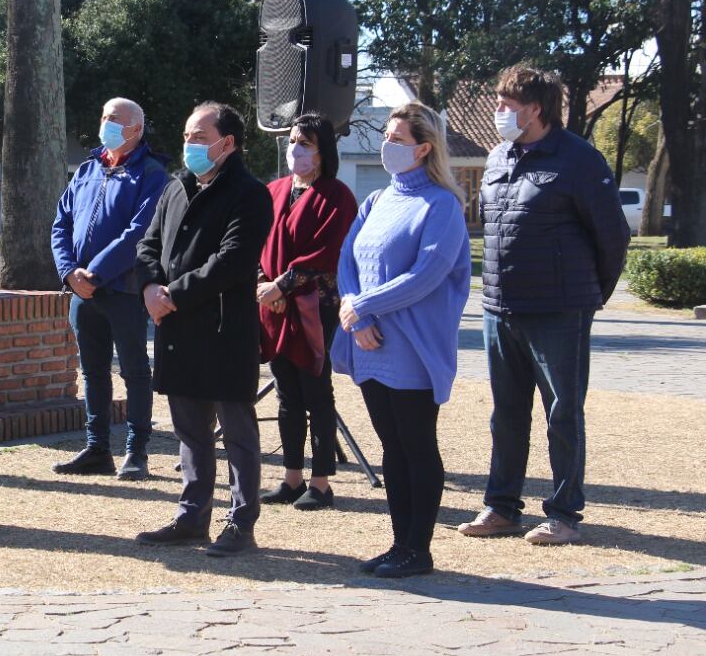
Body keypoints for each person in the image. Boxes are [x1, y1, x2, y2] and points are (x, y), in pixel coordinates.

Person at [458, 66, 630, 546]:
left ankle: (563, 513)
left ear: (536, 109)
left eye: (506, 104)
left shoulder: (580, 160)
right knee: (506, 413)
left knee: (563, 413)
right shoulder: (496, 158)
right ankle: (501, 508)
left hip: (560, 310)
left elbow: (613, 237)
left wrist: (589, 296)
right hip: (499, 308)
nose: (498, 112)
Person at [332, 102, 471, 578]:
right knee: (391, 447)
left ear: (424, 148)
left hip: (412, 348)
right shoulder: (376, 201)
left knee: (416, 444)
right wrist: (354, 315)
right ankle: (398, 544)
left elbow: (428, 273)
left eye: (397, 139)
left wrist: (365, 306)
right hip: (369, 343)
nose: (387, 146)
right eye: (386, 137)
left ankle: (419, 548)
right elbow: (347, 261)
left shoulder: (442, 205)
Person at [133, 102, 273, 557]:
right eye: (187, 136)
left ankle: (241, 521)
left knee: (237, 433)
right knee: (190, 432)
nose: (189, 145)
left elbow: (233, 260)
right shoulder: (177, 187)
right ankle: (192, 515)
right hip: (178, 332)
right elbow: (148, 243)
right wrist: (150, 285)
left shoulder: (249, 194)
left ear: (227, 143)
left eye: (198, 136)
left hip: (222, 331)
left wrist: (171, 294)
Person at [50, 97, 168, 481]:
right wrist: (70, 273)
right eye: (105, 117)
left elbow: (140, 232)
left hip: (124, 291)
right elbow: (61, 224)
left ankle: (136, 451)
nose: (108, 124)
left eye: (116, 119)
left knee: (134, 371)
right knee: (93, 371)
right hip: (81, 294)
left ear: (136, 129)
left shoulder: (152, 174)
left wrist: (95, 274)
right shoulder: (87, 169)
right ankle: (97, 448)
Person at [257, 113, 357, 511]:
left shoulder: (337, 195)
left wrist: (283, 284)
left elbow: (329, 253)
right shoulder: (275, 190)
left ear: (322, 152)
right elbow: (256, 243)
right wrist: (265, 286)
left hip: (316, 305)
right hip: (274, 305)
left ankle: (321, 481)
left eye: (305, 144)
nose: (295, 149)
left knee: (315, 389)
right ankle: (292, 477)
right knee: (286, 392)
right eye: (292, 141)